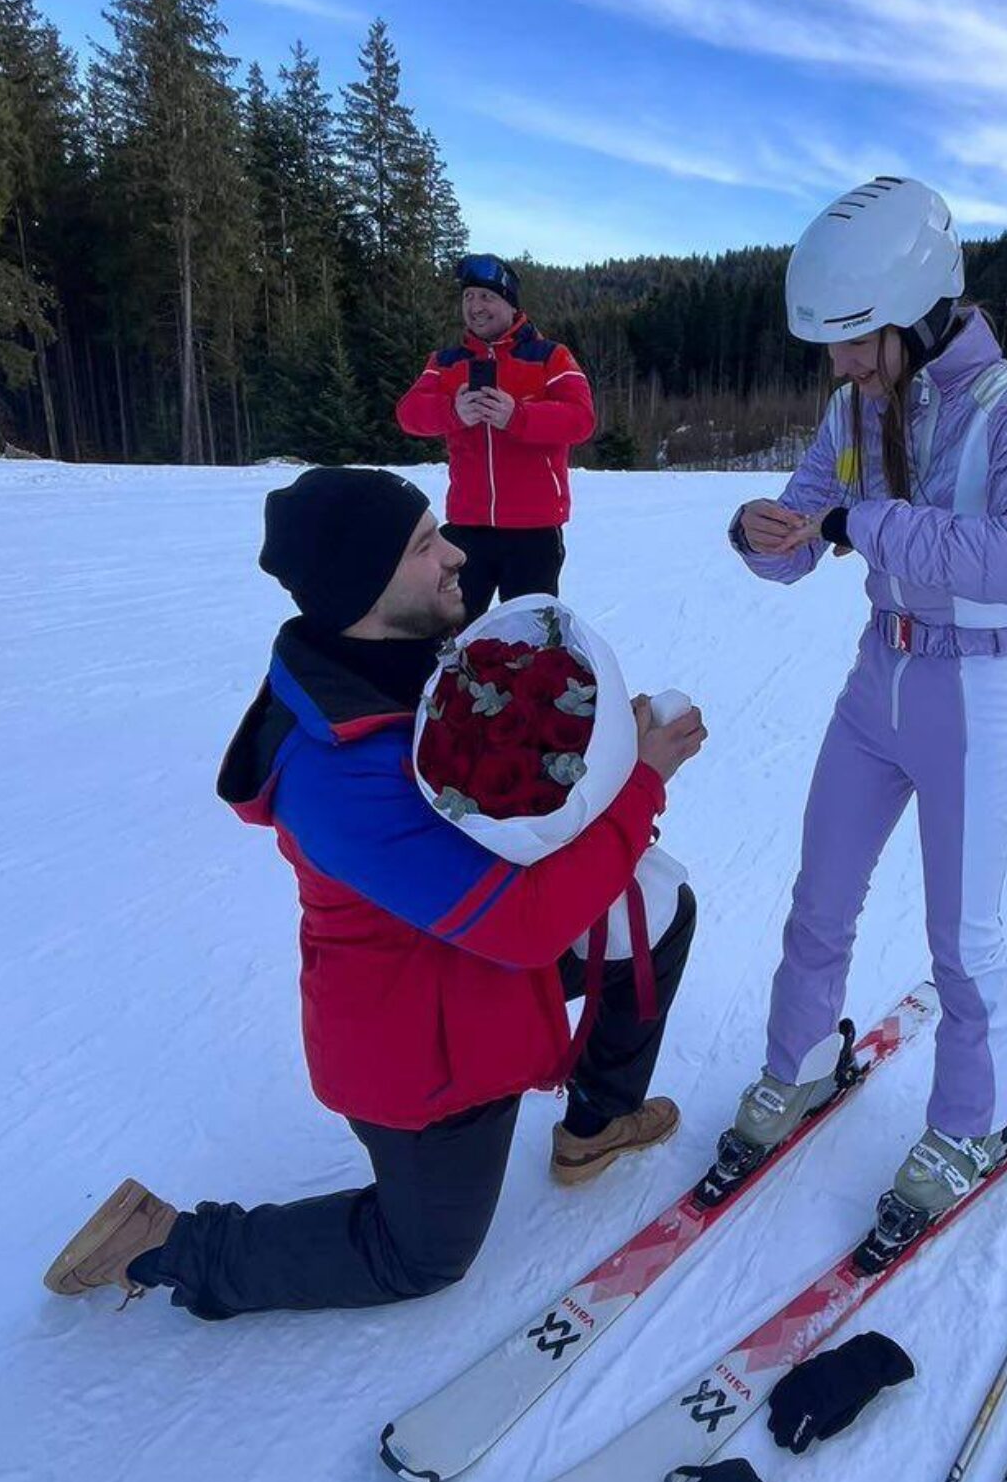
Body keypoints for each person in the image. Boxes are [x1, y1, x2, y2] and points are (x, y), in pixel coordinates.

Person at [44, 466, 705, 1314]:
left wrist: (600, 741)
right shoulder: (336, 777)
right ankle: (167, 1244)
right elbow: (525, 927)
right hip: (424, 1043)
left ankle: (598, 1122)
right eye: (426, 545)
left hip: (482, 968)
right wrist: (641, 783)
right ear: (363, 586)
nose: (456, 554)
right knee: (421, 1258)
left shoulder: (402, 655)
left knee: (655, 908)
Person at [722, 176, 1007, 1239]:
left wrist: (864, 526)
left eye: (853, 341)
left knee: (961, 936)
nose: (838, 365)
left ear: (918, 312)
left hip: (972, 689)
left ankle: (974, 1117)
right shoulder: (854, 408)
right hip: (875, 679)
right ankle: (800, 1060)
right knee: (820, 893)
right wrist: (761, 534)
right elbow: (804, 526)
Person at [395, 253, 595, 624]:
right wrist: (452, 411)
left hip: (533, 529)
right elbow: (408, 414)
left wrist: (518, 416)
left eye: (487, 297)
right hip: (466, 526)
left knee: (529, 636)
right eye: (468, 297)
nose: (475, 306)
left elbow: (581, 420)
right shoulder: (445, 361)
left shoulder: (550, 356)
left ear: (511, 304)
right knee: (452, 633)